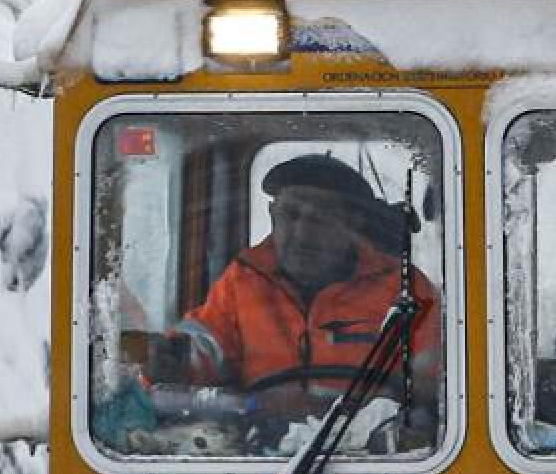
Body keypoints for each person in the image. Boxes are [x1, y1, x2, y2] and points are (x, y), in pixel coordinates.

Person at [139, 153, 442, 427]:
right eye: (290, 215)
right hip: (260, 454)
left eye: (319, 219)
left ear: (352, 224)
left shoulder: (403, 286)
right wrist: (173, 358)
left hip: (373, 455)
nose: (301, 234)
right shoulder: (243, 279)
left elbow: (435, 379)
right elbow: (205, 345)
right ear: (272, 216)